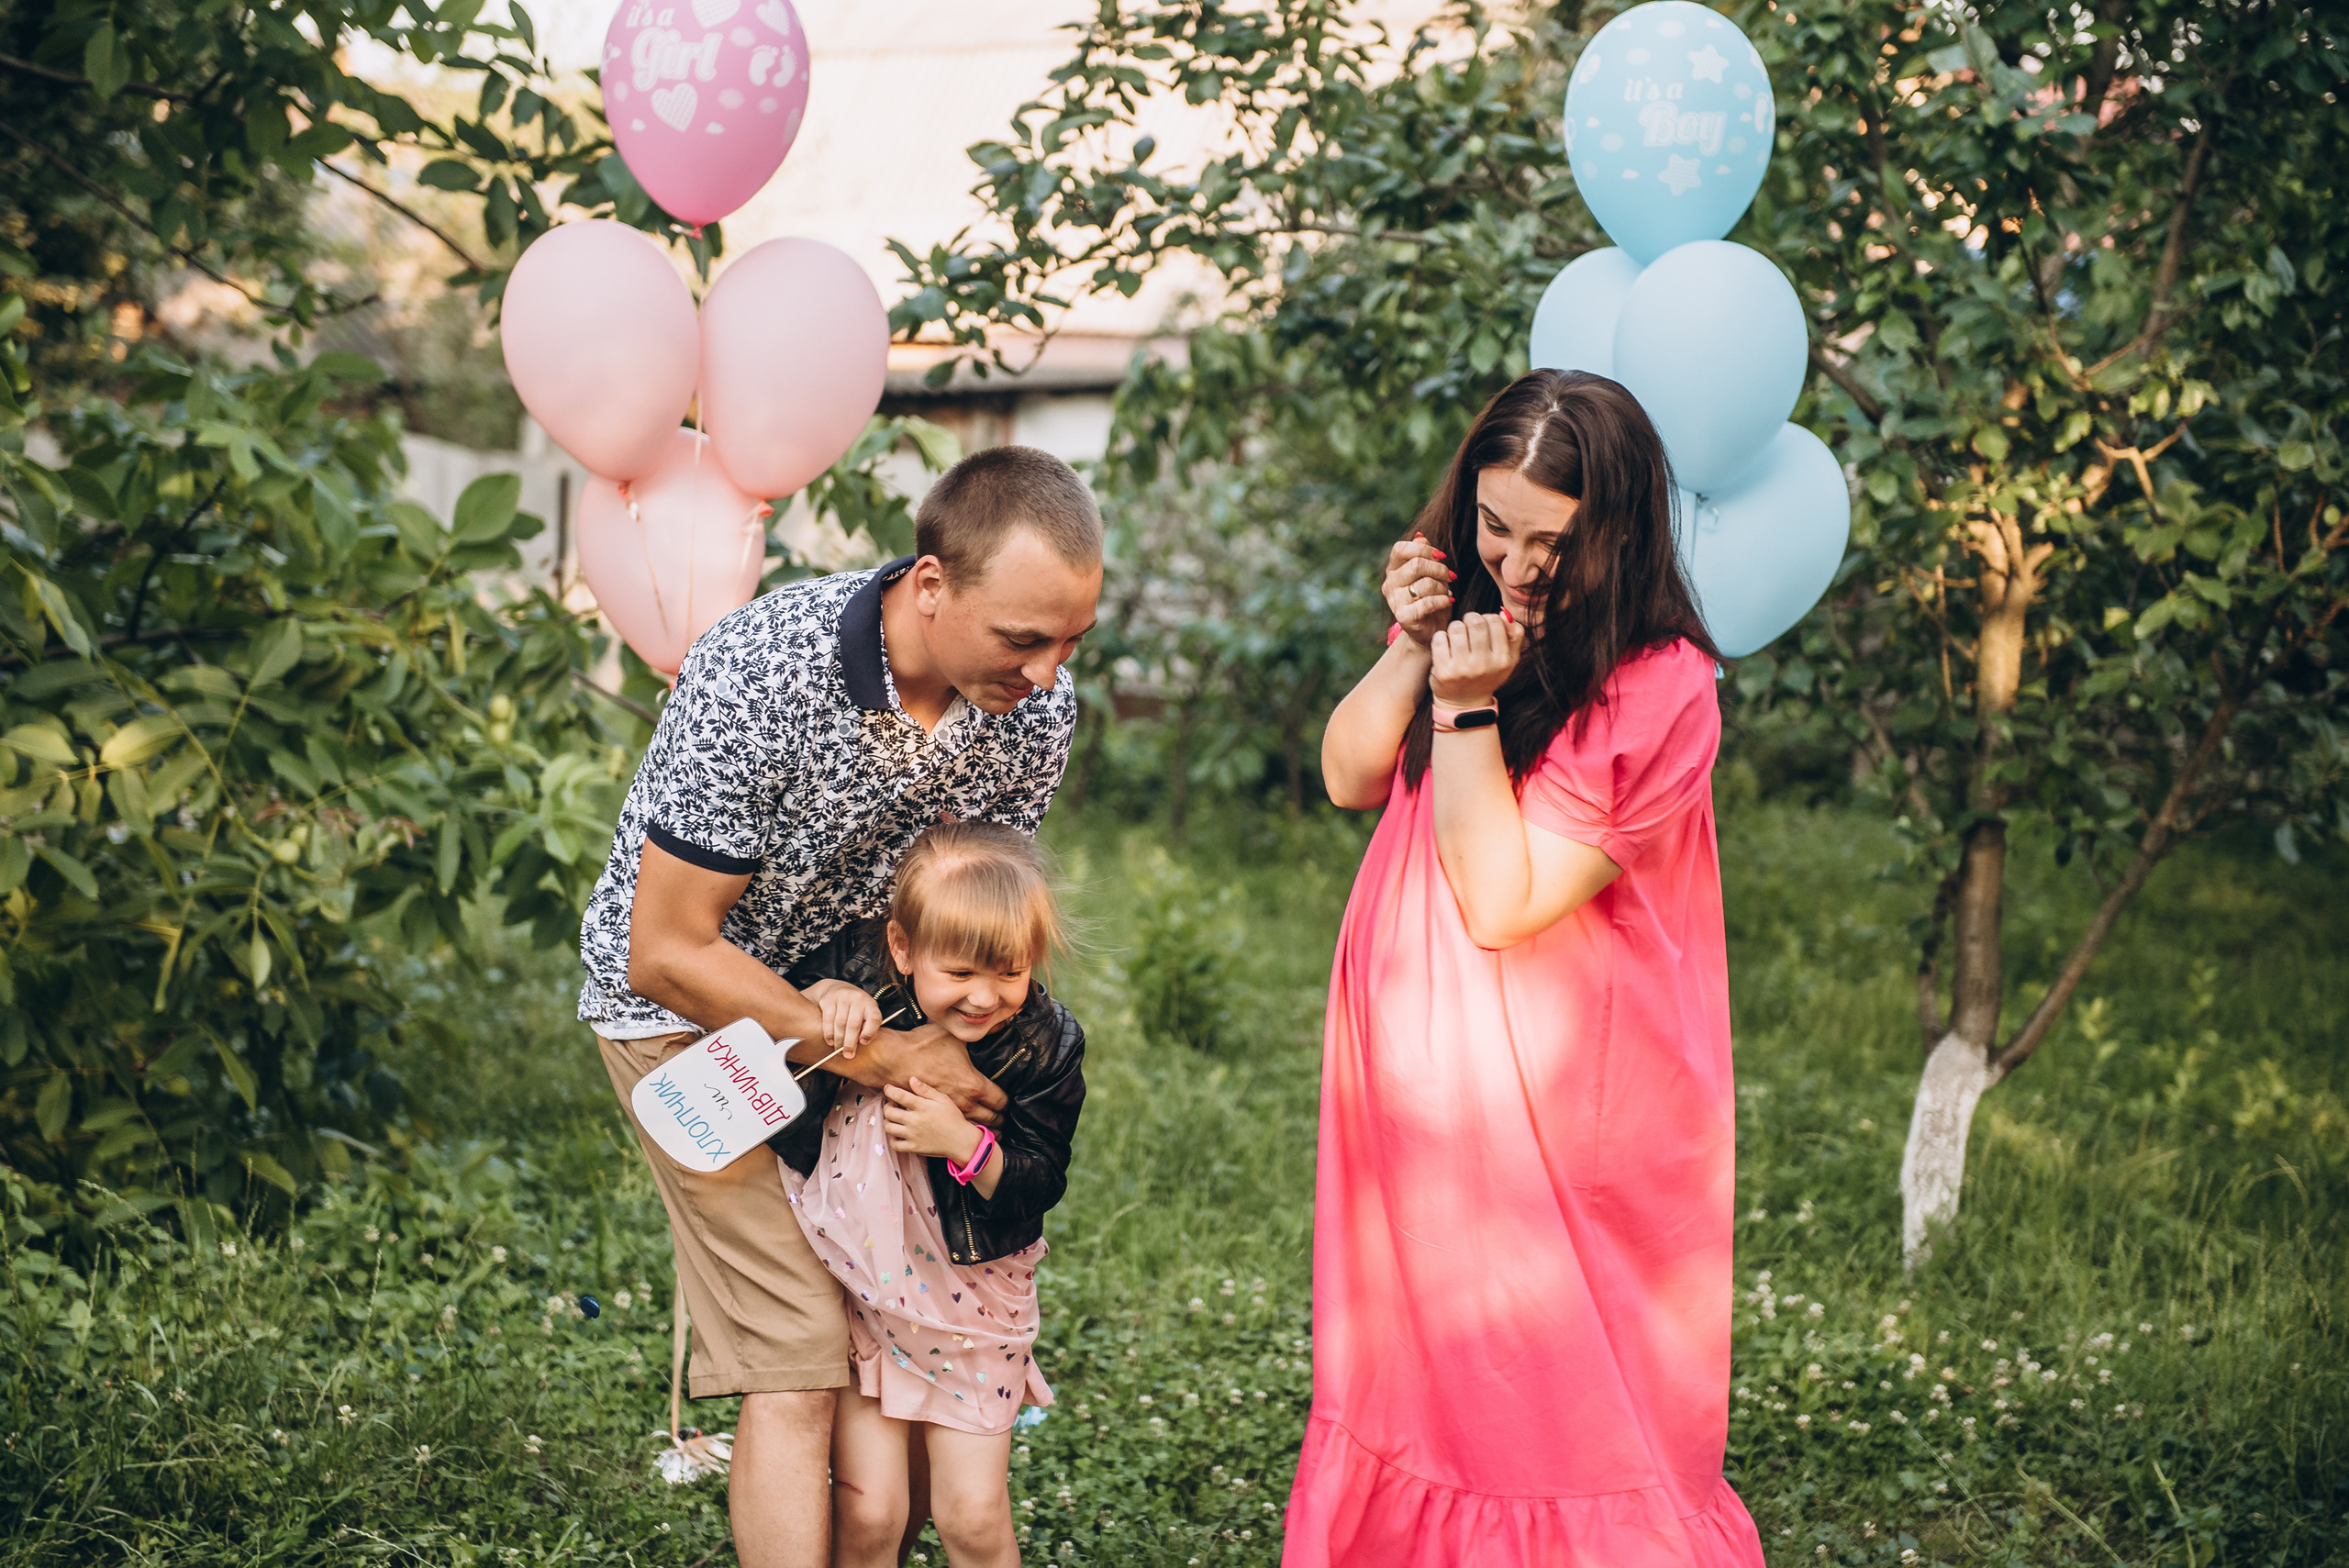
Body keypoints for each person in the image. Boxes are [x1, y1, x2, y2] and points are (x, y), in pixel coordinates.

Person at [577, 446, 1103, 1568]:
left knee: (886, 1312)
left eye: (1072, 643)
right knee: (798, 1344)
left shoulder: (1029, 715)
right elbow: (667, 948)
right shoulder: (762, 670)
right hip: (683, 1013)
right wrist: (894, 1065)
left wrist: (984, 1073)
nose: (1051, 674)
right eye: (1023, 640)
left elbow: (969, 926)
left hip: (865, 1016)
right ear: (928, 585)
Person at [1286, 370, 1765, 1566]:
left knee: (1548, 1411)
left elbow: (1499, 898)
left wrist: (1464, 706)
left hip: (1559, 1102)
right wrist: (1412, 646)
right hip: (1418, 1087)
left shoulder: (1659, 684)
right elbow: (1348, 770)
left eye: (1552, 538)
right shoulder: (1482, 621)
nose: (1516, 560)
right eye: (1493, 523)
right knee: (1426, 1383)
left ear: (1622, 527)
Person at [776, 821, 1085, 1568]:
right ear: (904, 949)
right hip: (864, 1286)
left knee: (973, 1518)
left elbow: (1042, 1175)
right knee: (871, 1510)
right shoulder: (860, 966)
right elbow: (780, 1022)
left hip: (973, 1304)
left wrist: (968, 1144)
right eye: (961, 974)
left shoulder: (1047, 1043)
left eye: (1009, 972)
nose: (985, 998)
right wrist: (825, 998)